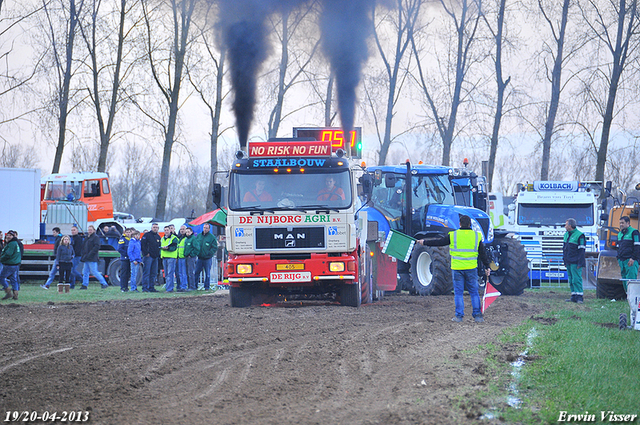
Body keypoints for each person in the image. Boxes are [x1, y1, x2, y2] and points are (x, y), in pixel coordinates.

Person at [418, 215, 491, 322]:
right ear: (470, 224)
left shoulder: (453, 235)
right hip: (471, 268)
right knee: (474, 292)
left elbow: (439, 242)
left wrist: (424, 242)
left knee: (458, 293)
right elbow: (483, 254)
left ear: (459, 224)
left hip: (457, 269)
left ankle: (459, 316)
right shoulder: (476, 236)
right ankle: (478, 316)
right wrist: (487, 266)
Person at [562, 218, 586, 303]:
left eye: (566, 224)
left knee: (576, 279)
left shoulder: (580, 235)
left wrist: (580, 262)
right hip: (568, 261)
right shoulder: (566, 235)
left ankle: (579, 296)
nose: (565, 226)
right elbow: (564, 249)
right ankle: (573, 295)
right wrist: (564, 260)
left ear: (570, 225)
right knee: (571, 279)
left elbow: (581, 251)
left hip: (576, 262)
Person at [80, 225, 109, 289]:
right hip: (86, 258)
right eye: (89, 230)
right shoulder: (87, 237)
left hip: (92, 258)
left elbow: (96, 247)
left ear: (94, 230)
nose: (89, 231)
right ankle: (84, 285)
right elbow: (84, 247)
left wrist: (89, 255)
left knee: (94, 272)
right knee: (85, 272)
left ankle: (104, 283)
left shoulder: (96, 237)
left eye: (91, 230)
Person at [616, 216, 640, 292]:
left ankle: (633, 298)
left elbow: (637, 247)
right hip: (622, 260)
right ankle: (628, 297)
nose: (621, 225)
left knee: (631, 280)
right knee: (624, 280)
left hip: (630, 260)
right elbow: (618, 247)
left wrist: (633, 258)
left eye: (622, 223)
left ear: (628, 223)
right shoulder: (619, 234)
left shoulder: (634, 232)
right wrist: (618, 258)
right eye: (620, 223)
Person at [193, 223, 218, 291]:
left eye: (206, 228)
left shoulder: (212, 237)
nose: (205, 229)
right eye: (204, 227)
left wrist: (209, 254)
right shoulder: (199, 236)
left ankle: (206, 287)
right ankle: (194, 286)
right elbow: (196, 245)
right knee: (196, 272)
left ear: (209, 229)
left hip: (207, 259)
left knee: (207, 274)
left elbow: (214, 247)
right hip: (200, 258)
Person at [0, 231, 21, 300]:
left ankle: (8, 291)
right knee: (13, 279)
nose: (8, 236)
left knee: (1, 277)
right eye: (7, 235)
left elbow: (8, 254)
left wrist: (1, 259)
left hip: (10, 264)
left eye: (10, 235)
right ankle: (15, 295)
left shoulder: (11, 244)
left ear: (13, 236)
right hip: (15, 265)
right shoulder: (15, 243)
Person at [141, 223, 161, 292]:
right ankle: (145, 288)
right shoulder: (147, 235)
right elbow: (142, 245)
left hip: (155, 257)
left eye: (156, 227)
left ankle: (151, 287)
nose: (155, 228)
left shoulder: (158, 237)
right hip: (148, 257)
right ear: (151, 228)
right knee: (146, 273)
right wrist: (146, 253)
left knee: (153, 273)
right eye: (154, 227)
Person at [160, 225, 178, 292]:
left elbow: (174, 247)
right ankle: (168, 287)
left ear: (170, 230)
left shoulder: (174, 238)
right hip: (164, 257)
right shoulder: (162, 238)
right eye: (165, 230)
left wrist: (168, 248)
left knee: (170, 273)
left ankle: (170, 288)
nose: (166, 231)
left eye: (167, 230)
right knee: (167, 274)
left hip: (171, 257)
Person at [117, 228, 132, 293]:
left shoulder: (131, 240)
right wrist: (127, 254)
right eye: (127, 232)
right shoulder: (122, 239)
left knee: (128, 273)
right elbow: (120, 249)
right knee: (124, 273)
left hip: (130, 258)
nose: (128, 233)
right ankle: (123, 287)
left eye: (129, 232)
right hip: (124, 258)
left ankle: (126, 287)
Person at [176, 225, 189, 292]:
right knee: (180, 273)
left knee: (184, 273)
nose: (182, 230)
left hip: (184, 258)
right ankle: (181, 286)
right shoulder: (179, 238)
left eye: (183, 229)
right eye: (181, 229)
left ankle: (184, 286)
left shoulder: (187, 238)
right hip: (179, 258)